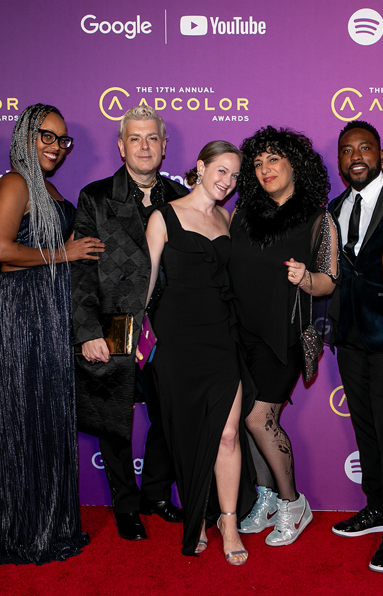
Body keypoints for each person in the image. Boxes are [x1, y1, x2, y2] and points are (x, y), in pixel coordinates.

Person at [0, 104, 100, 564]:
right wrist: (64, 253)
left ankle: (53, 526)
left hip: (51, 313)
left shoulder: (47, 186)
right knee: (25, 417)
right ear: (25, 136)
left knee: (49, 417)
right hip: (23, 314)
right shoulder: (15, 182)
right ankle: (26, 534)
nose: (55, 146)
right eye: (46, 136)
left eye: (62, 139)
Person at [70, 105, 186, 540]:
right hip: (114, 325)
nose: (144, 146)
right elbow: (80, 271)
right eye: (135, 138)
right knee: (114, 420)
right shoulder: (95, 198)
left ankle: (155, 493)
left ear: (163, 146)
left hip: (168, 329)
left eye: (152, 138)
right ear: (121, 147)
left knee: (171, 415)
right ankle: (125, 505)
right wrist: (87, 331)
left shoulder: (180, 197)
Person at [144, 141, 256, 563]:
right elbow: (148, 283)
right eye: (221, 170)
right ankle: (197, 517)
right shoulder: (164, 215)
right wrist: (134, 339)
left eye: (234, 176)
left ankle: (227, 520)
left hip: (221, 338)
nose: (226, 182)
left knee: (228, 434)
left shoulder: (226, 218)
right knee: (188, 437)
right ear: (200, 166)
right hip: (176, 342)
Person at [230, 126, 338, 546]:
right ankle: (267, 496)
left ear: (295, 164)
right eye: (257, 163)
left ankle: (294, 503)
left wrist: (305, 278)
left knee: (260, 418)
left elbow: (330, 280)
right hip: (242, 332)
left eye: (273, 159)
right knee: (245, 419)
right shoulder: (242, 212)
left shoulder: (317, 216)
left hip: (285, 334)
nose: (265, 169)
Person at [327, 121, 383, 572]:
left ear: (379, 152)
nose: (355, 156)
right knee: (366, 430)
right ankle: (377, 506)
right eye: (346, 150)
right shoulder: (335, 206)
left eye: (364, 148)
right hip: (350, 337)